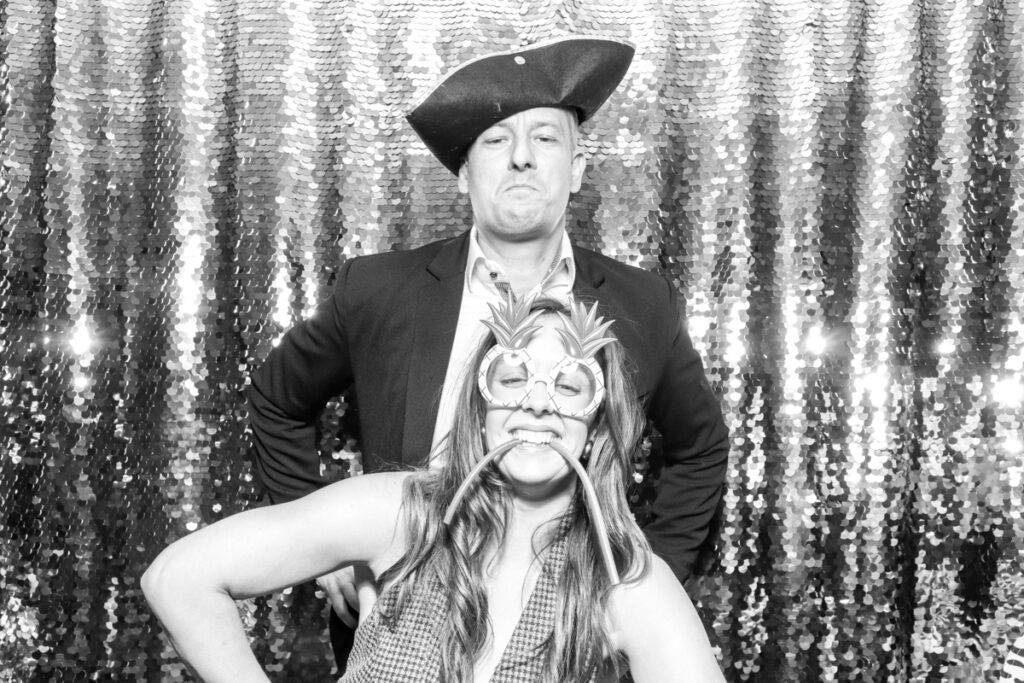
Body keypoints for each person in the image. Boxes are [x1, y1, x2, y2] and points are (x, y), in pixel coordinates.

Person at [246, 35, 730, 666]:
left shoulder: (644, 306)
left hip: (563, 643)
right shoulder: (375, 291)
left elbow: (701, 447)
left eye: (545, 139)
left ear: (578, 169)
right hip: (395, 633)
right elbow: (277, 400)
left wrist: (641, 586)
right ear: (464, 172)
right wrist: (320, 547)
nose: (522, 158)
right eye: (496, 141)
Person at [143, 296, 726, 682]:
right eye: (515, 378)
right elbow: (178, 579)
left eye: (569, 387)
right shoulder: (399, 512)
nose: (537, 403)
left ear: (596, 429)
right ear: (480, 409)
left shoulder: (625, 580)